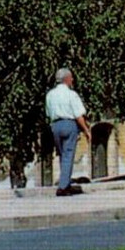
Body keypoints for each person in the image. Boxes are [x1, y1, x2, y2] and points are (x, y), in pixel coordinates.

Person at [45, 67, 92, 196]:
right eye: (71, 77)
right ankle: (63, 187)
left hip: (55, 126)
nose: (72, 80)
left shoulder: (50, 95)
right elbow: (78, 115)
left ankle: (66, 183)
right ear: (66, 79)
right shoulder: (72, 94)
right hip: (69, 124)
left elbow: (48, 113)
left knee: (62, 155)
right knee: (68, 155)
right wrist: (86, 130)